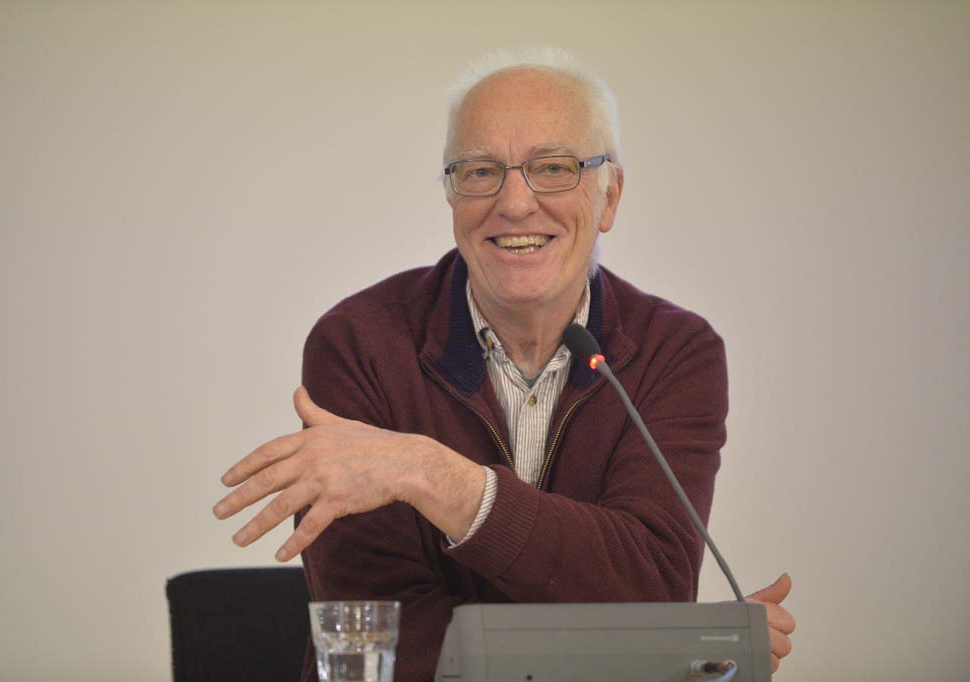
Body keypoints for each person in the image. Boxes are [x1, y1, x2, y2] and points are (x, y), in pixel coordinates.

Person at [213, 49, 795, 680]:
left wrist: (430, 473)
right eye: (480, 171)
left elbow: (652, 580)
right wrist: (655, 646)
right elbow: (381, 638)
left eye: (554, 168)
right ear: (450, 196)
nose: (515, 203)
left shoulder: (675, 351)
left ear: (610, 196)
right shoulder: (359, 344)